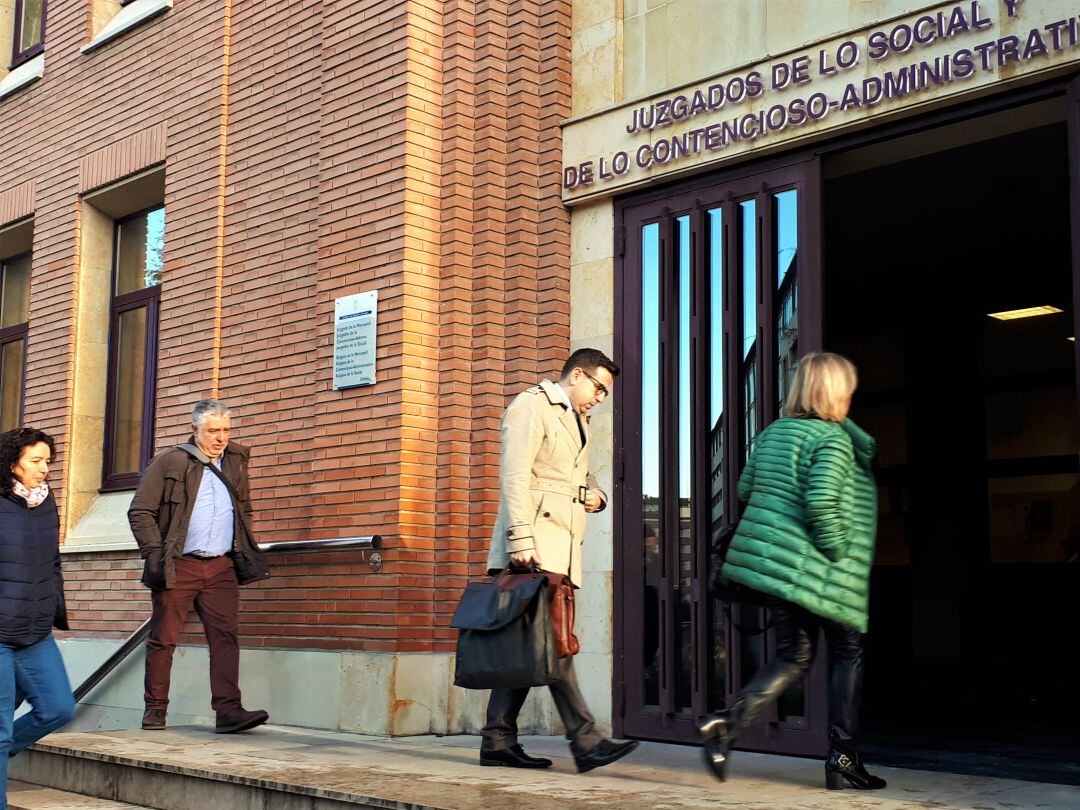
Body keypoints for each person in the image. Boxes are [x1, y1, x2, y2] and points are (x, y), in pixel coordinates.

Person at [699, 352, 887, 791]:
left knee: (793, 656)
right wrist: (840, 548)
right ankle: (843, 758)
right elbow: (821, 502)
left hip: (782, 574)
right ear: (837, 391)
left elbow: (745, 488)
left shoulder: (772, 433)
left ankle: (727, 723)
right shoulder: (833, 440)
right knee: (848, 654)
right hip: (825, 573)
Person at [480, 348, 639, 774]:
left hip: (561, 545)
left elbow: (576, 476)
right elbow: (514, 475)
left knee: (528, 643)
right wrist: (519, 538)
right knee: (555, 641)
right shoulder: (531, 405)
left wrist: (596, 496)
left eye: (607, 392)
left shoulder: (578, 419)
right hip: (533, 545)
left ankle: (497, 739)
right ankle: (586, 740)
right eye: (600, 388)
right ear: (578, 376)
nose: (602, 398)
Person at [129, 399, 270, 734]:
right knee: (163, 639)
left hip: (221, 565)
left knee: (225, 637)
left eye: (225, 430)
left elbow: (243, 509)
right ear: (195, 430)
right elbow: (140, 511)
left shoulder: (235, 461)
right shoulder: (169, 462)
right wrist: (156, 554)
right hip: (180, 564)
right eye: (212, 431)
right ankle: (155, 711)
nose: (220, 438)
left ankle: (229, 712)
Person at [0, 428, 76, 808]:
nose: (44, 468)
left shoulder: (46, 503)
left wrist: (53, 605)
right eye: (36, 460)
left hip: (35, 631)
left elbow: (52, 562)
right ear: (13, 462)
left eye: (48, 460)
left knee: (59, 708)